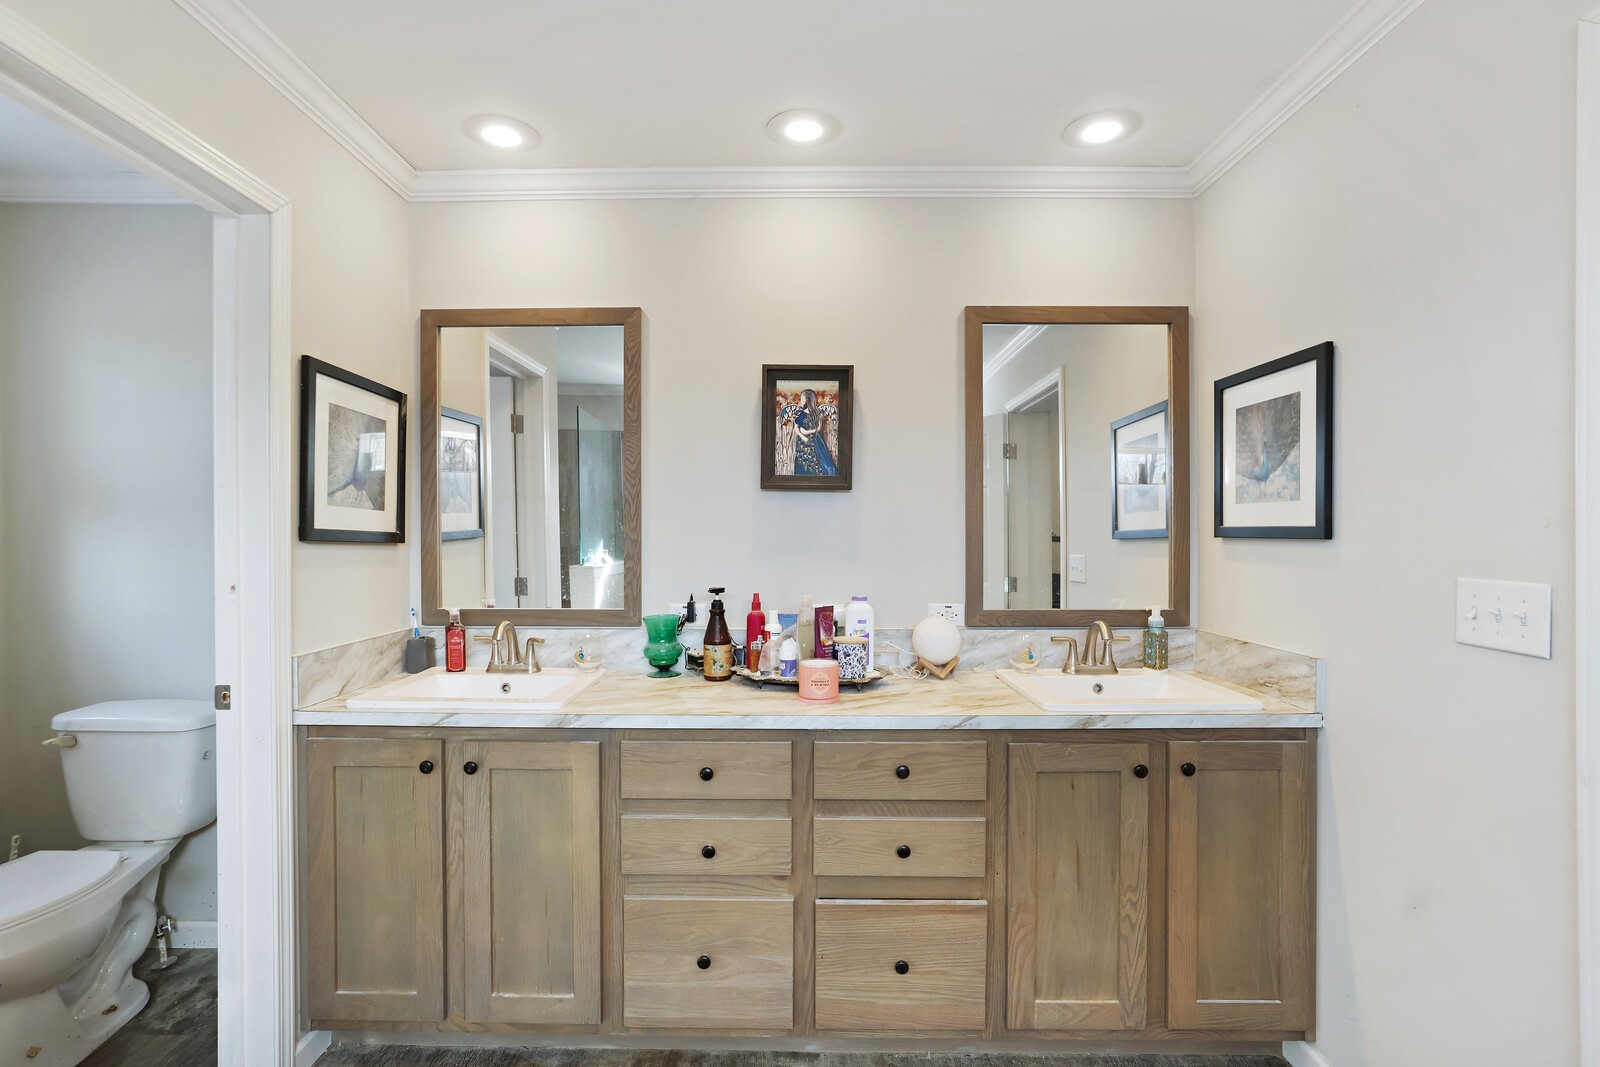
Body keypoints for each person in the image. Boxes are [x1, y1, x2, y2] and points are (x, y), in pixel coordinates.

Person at [782, 388, 837, 476]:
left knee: (819, 460)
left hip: (815, 440)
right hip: (802, 443)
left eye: (803, 397)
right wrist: (802, 435)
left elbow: (819, 428)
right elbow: (796, 427)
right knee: (802, 461)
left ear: (809, 398)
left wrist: (806, 432)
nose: (801, 399)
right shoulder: (801, 413)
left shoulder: (818, 413)